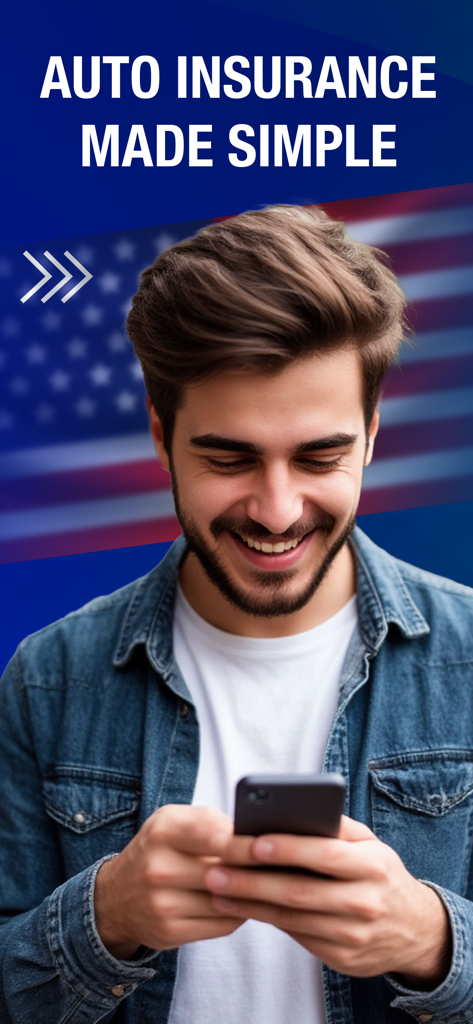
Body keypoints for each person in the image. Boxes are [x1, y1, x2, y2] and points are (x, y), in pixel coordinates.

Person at [1, 205, 473, 1024]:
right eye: (229, 458)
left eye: (320, 456)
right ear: (161, 436)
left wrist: (431, 939)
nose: (278, 510)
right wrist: (105, 918)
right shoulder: (48, 679)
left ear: (368, 437)